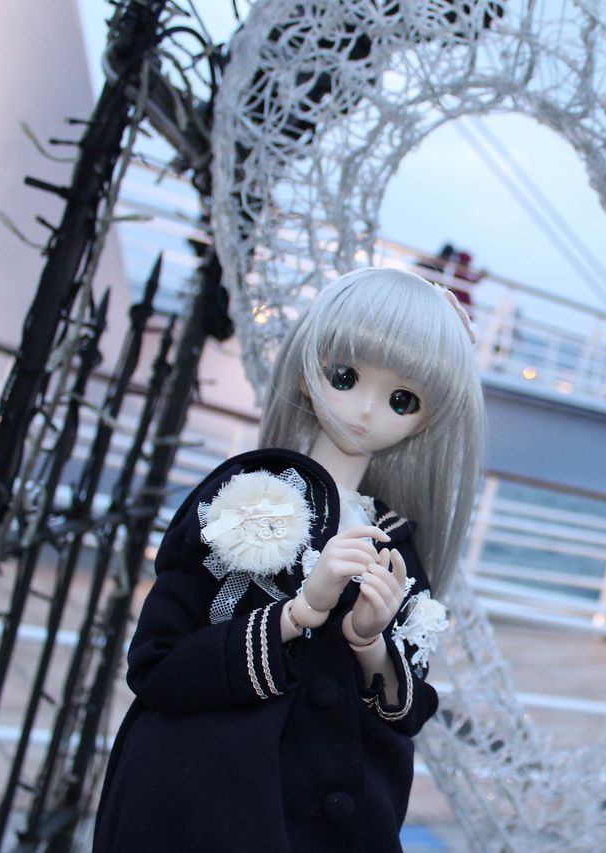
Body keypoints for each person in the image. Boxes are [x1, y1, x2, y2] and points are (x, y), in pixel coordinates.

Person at [94, 268, 485, 853]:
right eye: (345, 377)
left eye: (401, 400)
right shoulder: (248, 498)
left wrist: (368, 642)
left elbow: (406, 710)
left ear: (426, 419)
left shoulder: (394, 539)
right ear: (308, 372)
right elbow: (159, 662)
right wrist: (298, 613)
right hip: (209, 807)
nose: (366, 410)